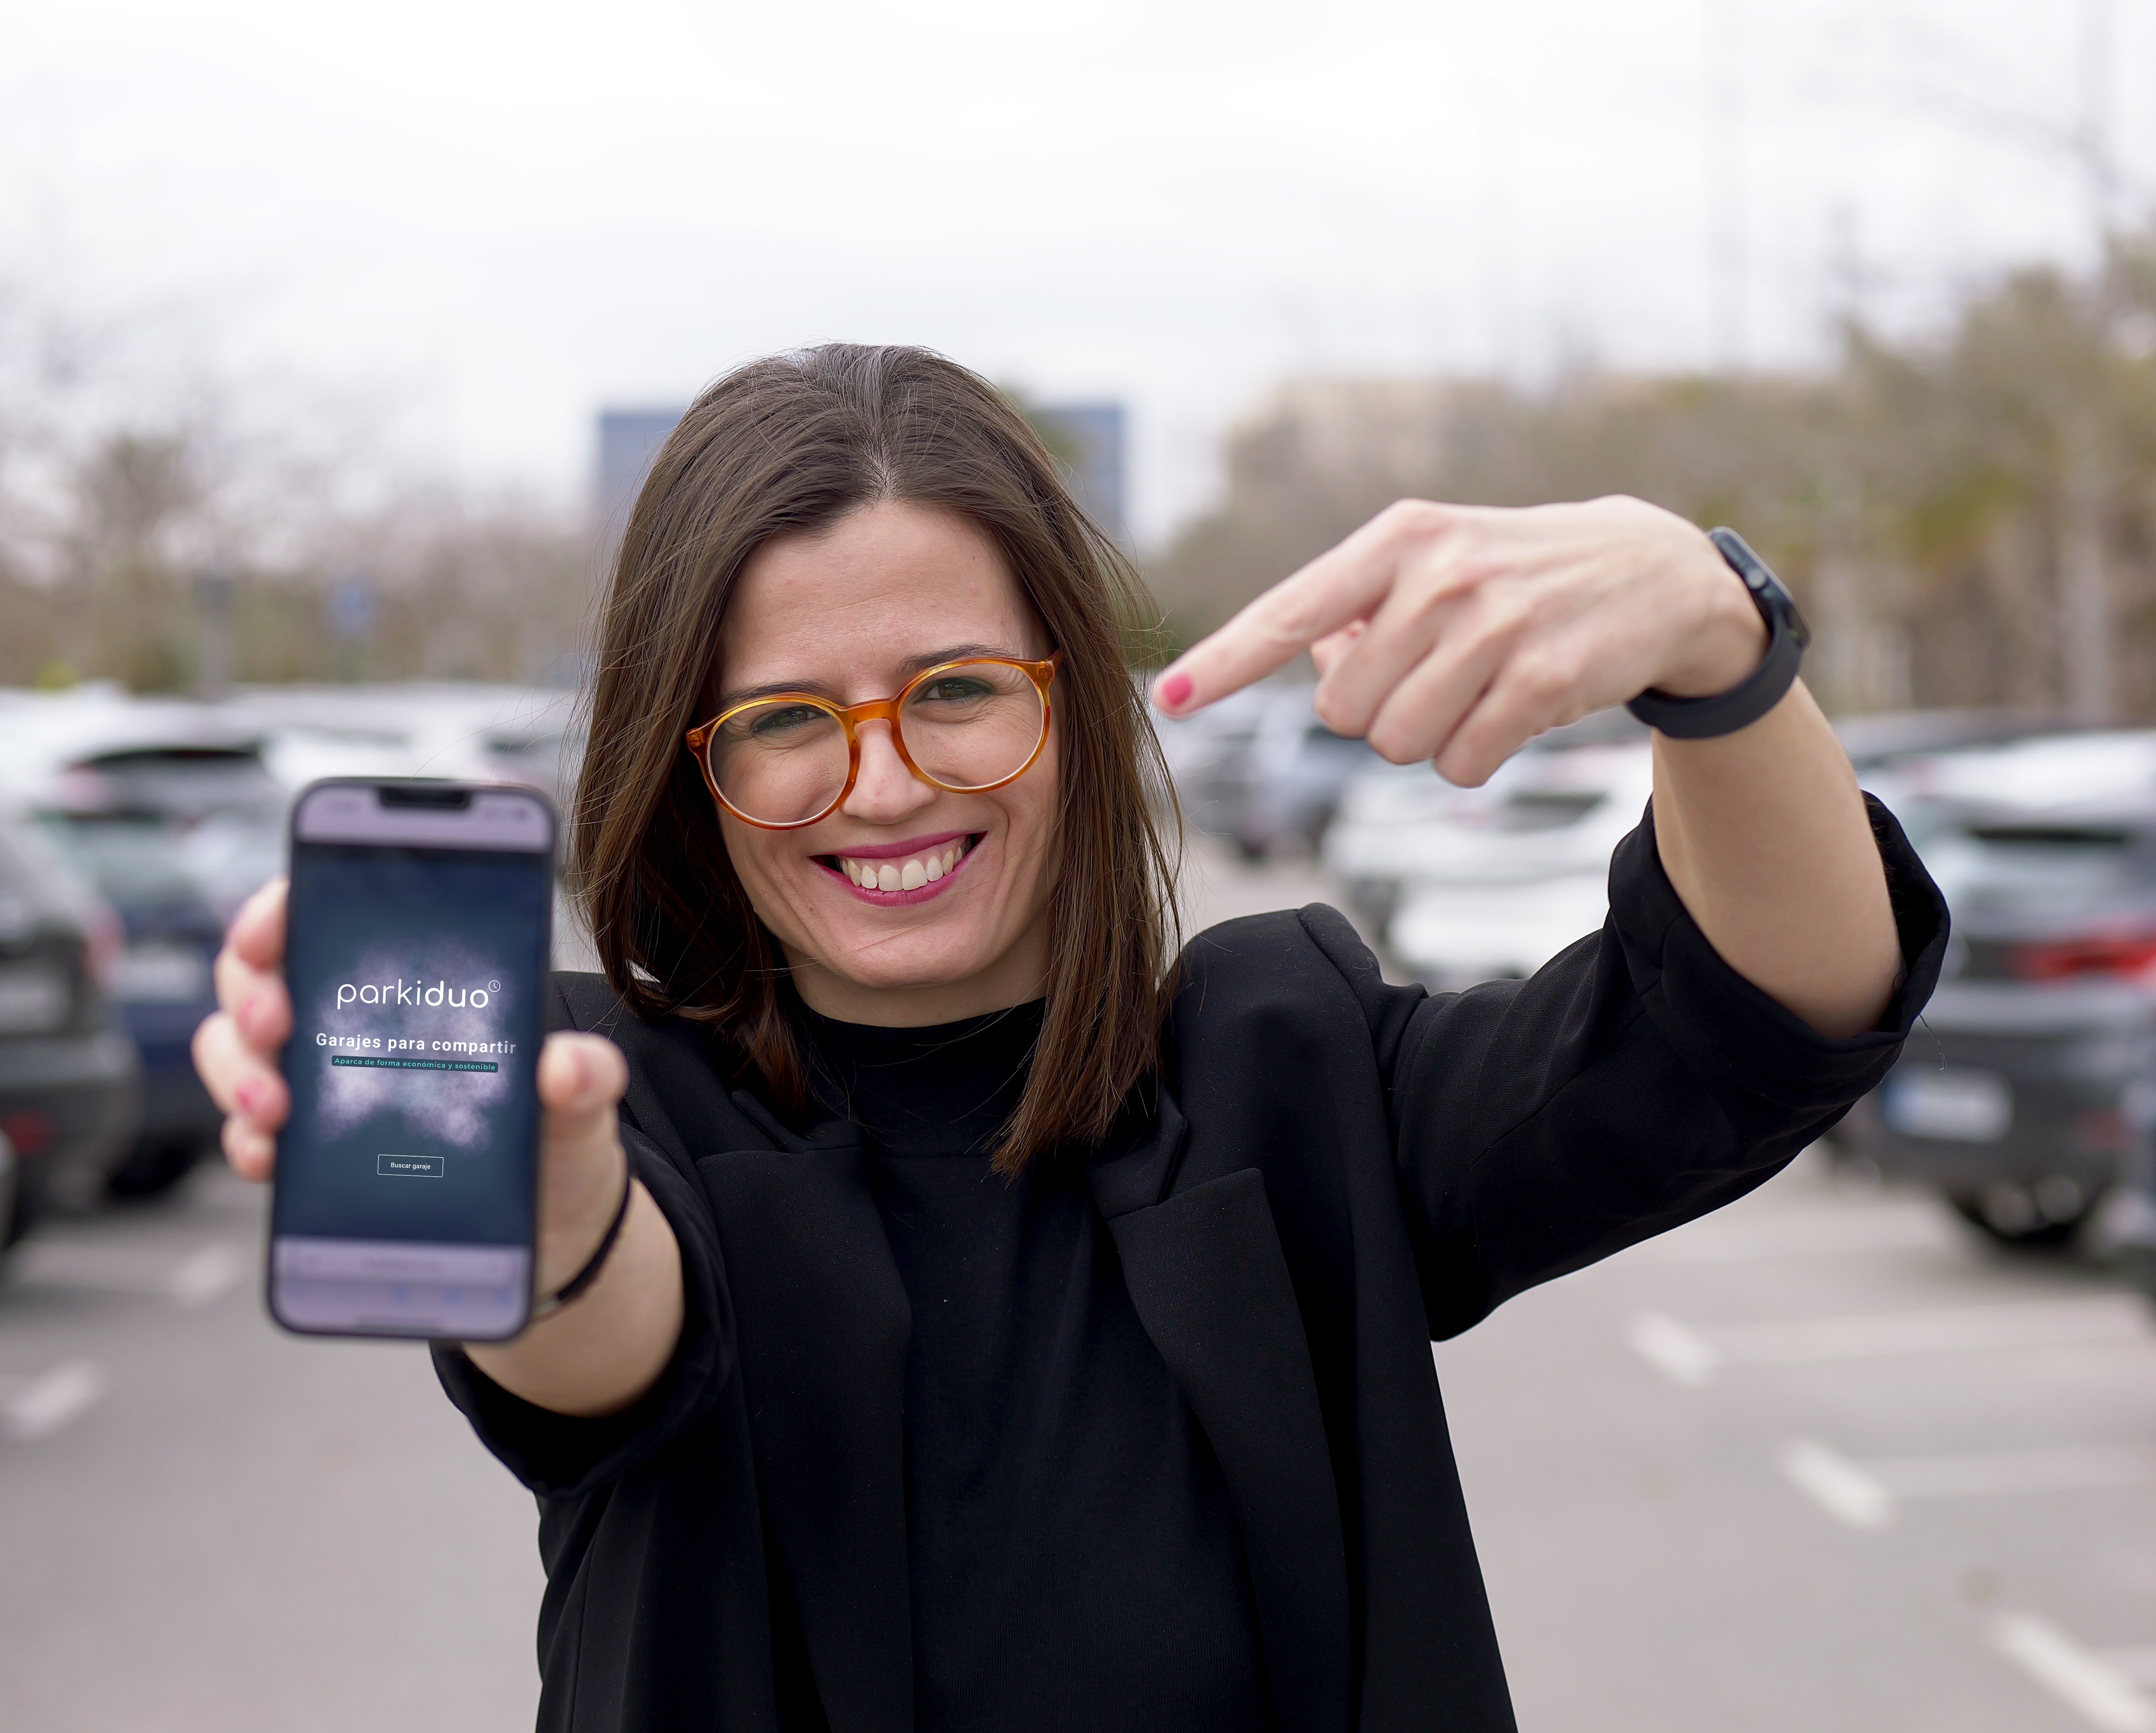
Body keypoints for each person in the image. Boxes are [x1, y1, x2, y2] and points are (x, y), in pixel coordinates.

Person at [194, 344, 1946, 1733]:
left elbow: (1757, 1013)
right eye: (784, 721)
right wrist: (547, 1211)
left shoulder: (1290, 1068)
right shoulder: (616, 1102)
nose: (881, 784)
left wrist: (1720, 647)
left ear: (1073, 708)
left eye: (954, 690)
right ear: (688, 771)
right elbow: (611, 1336)